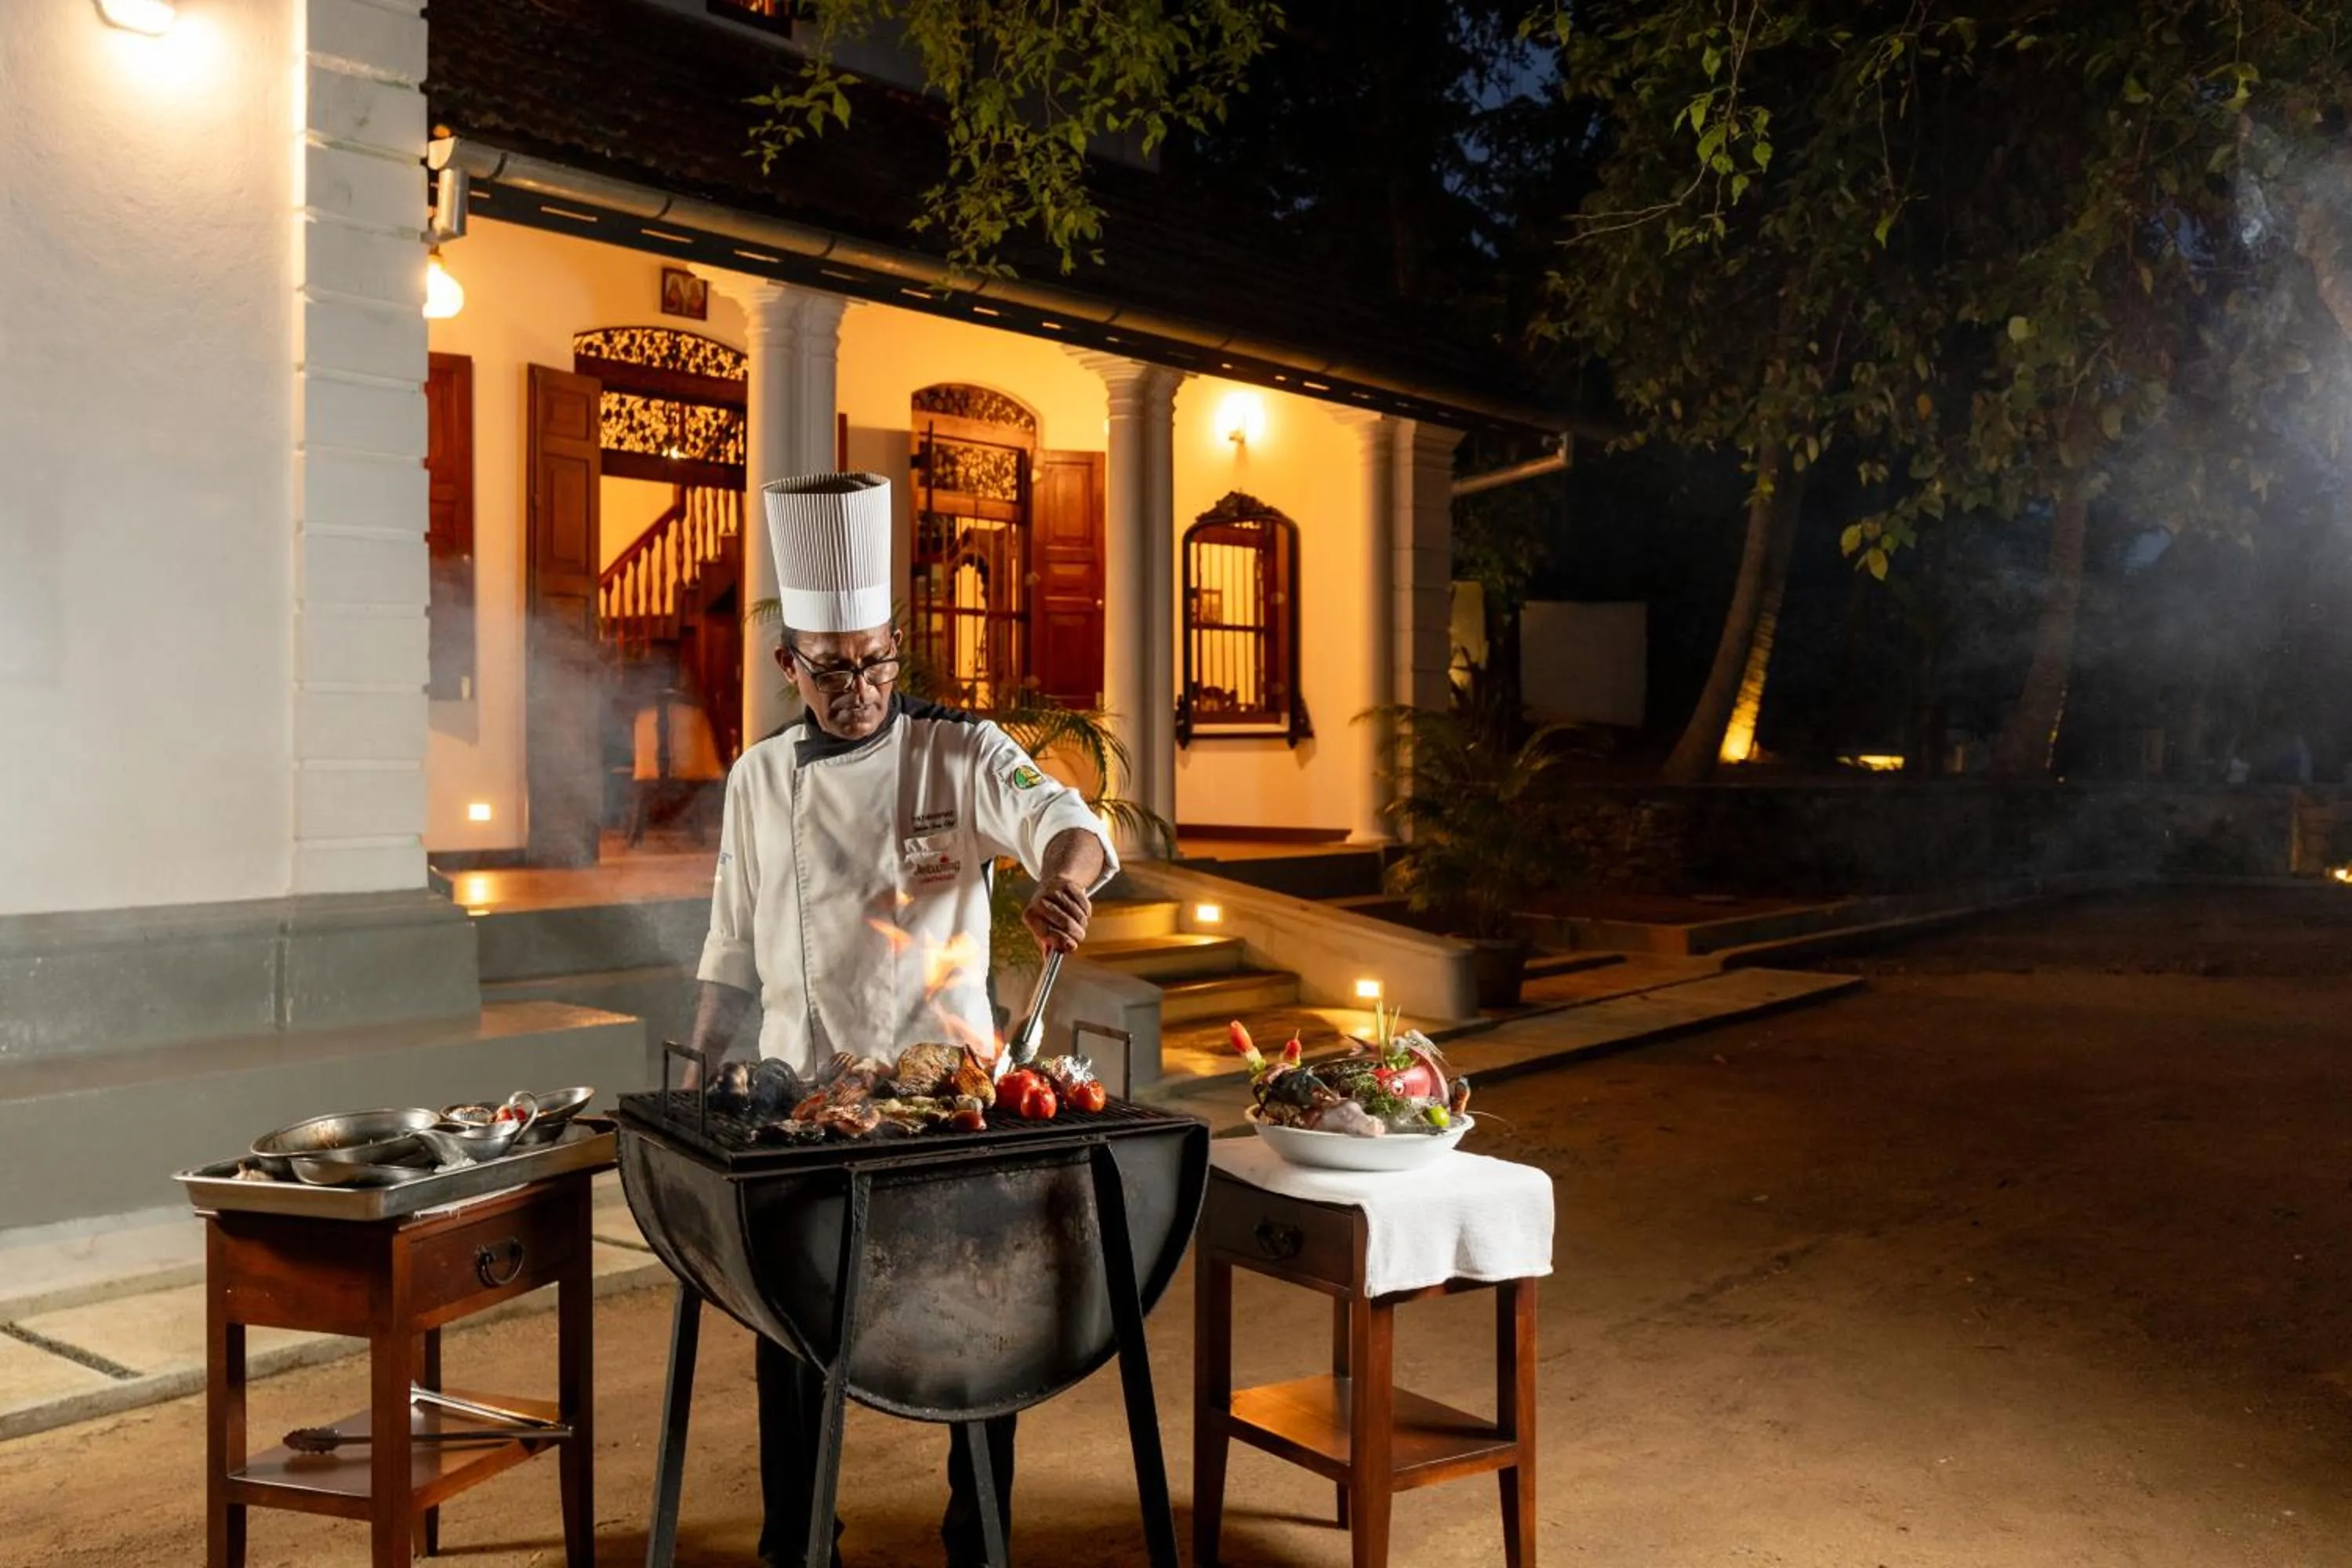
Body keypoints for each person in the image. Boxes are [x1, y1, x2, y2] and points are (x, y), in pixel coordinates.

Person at [684, 471, 1116, 1568]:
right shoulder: (754, 780)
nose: (861, 688)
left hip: (941, 1113)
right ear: (791, 666)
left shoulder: (958, 753)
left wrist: (1068, 878)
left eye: (879, 662)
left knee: (977, 1335)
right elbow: (730, 951)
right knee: (790, 1342)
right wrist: (694, 1078)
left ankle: (980, 1543)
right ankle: (799, 1543)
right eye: (833, 670)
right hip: (803, 1111)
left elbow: (1065, 820)